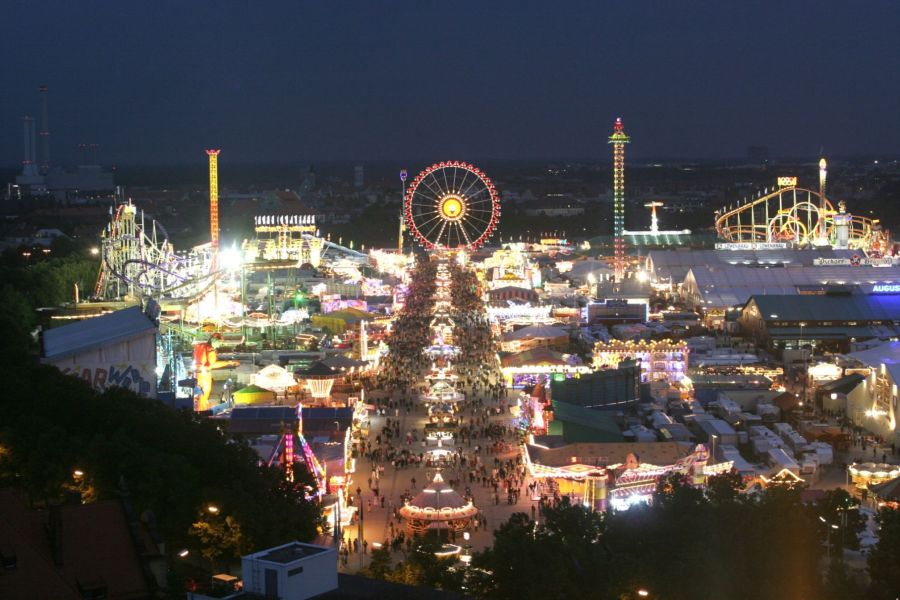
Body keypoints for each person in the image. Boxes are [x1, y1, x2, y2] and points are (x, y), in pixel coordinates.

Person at [193, 333, 238, 411]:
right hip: (204, 375)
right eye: (220, 343)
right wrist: (229, 362)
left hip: (197, 373)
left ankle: (199, 410)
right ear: (215, 341)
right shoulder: (210, 349)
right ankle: (201, 412)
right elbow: (212, 365)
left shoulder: (200, 346)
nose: (219, 345)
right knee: (203, 396)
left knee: (198, 396)